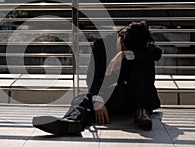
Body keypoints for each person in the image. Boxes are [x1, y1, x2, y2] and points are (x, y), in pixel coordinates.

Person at [32, 21, 162, 134]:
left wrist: (124, 54)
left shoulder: (140, 40)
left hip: (138, 98)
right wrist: (98, 100)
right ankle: (71, 122)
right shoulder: (101, 46)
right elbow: (92, 78)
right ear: (120, 36)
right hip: (113, 97)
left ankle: (142, 111)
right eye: (123, 47)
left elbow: (157, 53)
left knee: (145, 60)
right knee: (83, 99)